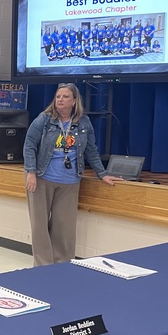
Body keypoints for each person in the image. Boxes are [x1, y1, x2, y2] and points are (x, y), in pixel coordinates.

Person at [23, 83, 119, 266]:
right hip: (42, 178)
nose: (60, 100)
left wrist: (102, 173)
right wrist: (31, 172)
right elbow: (29, 145)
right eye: (58, 96)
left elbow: (91, 149)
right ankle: (43, 266)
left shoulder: (83, 122)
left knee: (64, 227)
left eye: (65, 97)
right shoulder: (44, 120)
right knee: (39, 226)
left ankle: (62, 264)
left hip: (70, 181)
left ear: (74, 101)